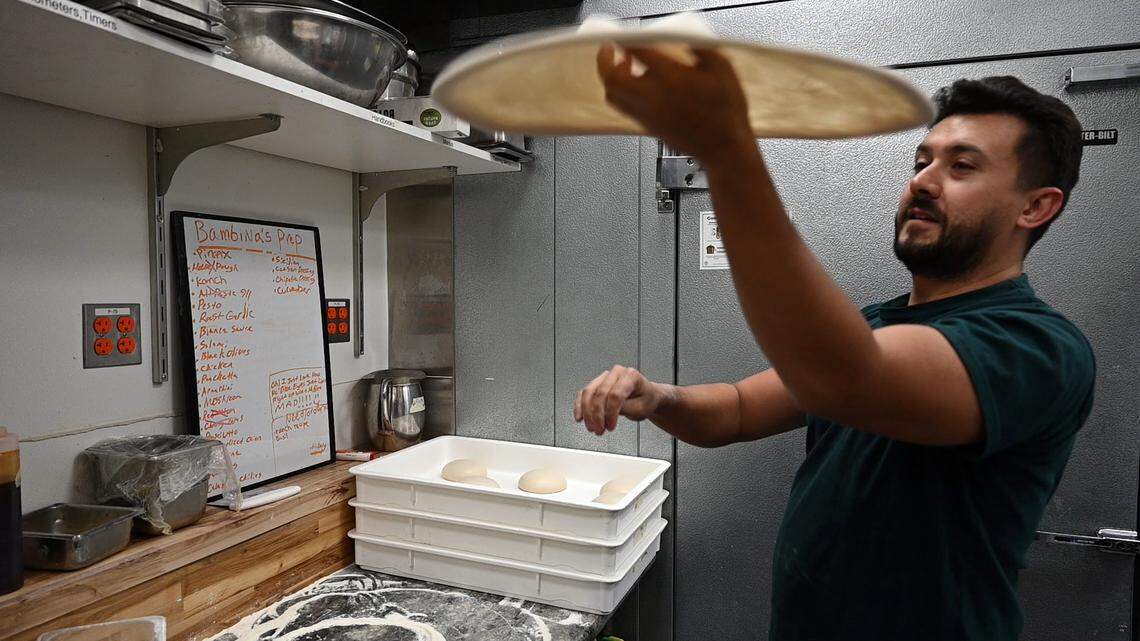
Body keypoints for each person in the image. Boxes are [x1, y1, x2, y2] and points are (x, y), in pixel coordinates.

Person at [573, 44, 1095, 641]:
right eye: (922, 161)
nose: (923, 180)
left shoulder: (1038, 348)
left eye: (962, 166)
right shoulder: (880, 324)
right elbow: (739, 410)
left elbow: (845, 379)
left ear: (1036, 205)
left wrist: (726, 151)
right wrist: (660, 398)